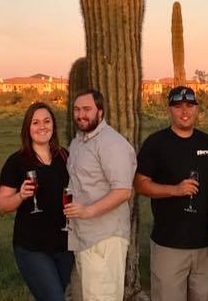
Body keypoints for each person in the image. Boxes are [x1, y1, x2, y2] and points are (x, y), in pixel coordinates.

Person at [134, 85, 208, 301]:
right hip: (169, 245)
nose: (184, 111)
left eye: (190, 106)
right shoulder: (156, 144)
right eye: (178, 106)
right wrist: (175, 190)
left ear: (196, 109)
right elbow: (140, 184)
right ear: (169, 110)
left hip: (205, 246)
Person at [64, 89, 137, 301]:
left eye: (87, 109)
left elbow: (123, 191)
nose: (81, 115)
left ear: (100, 112)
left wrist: (88, 210)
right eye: (77, 110)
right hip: (82, 237)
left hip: (105, 239)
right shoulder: (78, 142)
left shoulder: (112, 144)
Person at [0, 102, 74, 301]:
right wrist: (21, 195)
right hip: (32, 247)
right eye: (35, 122)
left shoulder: (64, 157)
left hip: (64, 246)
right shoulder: (16, 162)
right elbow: (2, 205)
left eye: (47, 121)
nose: (42, 127)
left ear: (53, 126)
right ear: (27, 128)